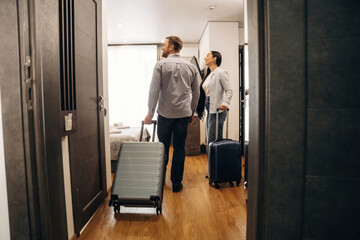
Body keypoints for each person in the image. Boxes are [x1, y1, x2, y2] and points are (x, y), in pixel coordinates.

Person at [144, 36, 200, 193]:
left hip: (165, 114)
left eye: (164, 45)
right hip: (183, 114)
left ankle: (160, 181)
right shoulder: (191, 67)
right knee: (179, 148)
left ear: (171, 48)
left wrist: (149, 113)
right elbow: (196, 93)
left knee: (163, 147)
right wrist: (191, 111)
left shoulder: (160, 65)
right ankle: (176, 184)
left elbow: (154, 90)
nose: (162, 48)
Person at [196, 51, 232, 145]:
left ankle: (216, 160)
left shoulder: (221, 73)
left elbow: (229, 90)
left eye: (207, 56)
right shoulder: (209, 75)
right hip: (210, 108)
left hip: (218, 111)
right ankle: (212, 160)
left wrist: (225, 103)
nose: (205, 58)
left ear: (214, 58)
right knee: (210, 140)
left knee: (214, 140)